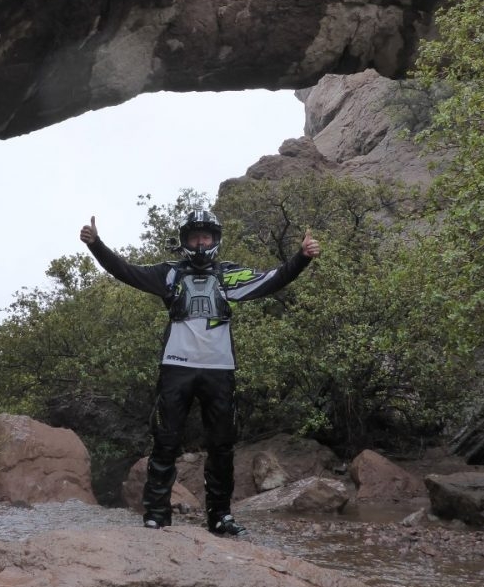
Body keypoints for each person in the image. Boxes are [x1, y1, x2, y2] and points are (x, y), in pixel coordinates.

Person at [79, 209, 320, 536]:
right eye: (195, 236)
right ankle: (156, 515)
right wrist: (97, 245)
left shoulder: (229, 275)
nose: (201, 241)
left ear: (215, 239)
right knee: (166, 440)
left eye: (206, 236)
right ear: (186, 240)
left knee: (222, 444)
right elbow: (127, 271)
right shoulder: (169, 273)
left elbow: (271, 279)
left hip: (220, 371)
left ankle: (220, 517)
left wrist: (301, 258)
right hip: (176, 368)